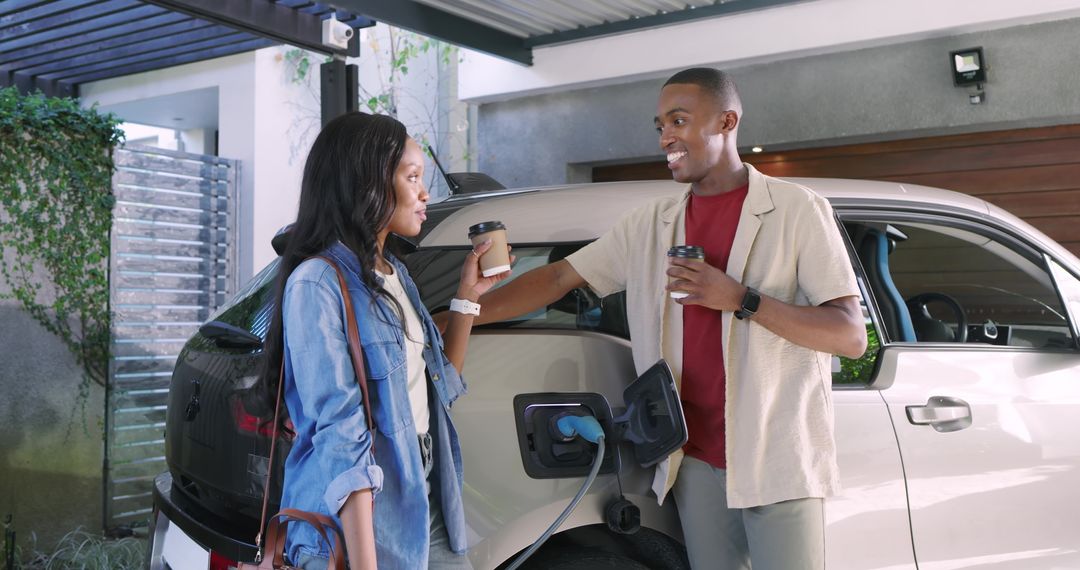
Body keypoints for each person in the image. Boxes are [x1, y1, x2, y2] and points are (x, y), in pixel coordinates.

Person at [471, 68, 867, 569]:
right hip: (693, 461)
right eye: (660, 125)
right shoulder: (650, 223)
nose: (665, 138)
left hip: (777, 458)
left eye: (678, 121)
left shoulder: (797, 210)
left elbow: (849, 336)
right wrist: (458, 314)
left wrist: (740, 298)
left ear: (727, 121)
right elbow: (557, 278)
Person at [259, 112, 509, 570]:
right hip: (358, 520)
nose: (424, 193)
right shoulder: (317, 283)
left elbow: (440, 386)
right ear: (367, 183)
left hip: (424, 494)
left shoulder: (396, 275)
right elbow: (342, 441)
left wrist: (467, 297)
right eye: (412, 177)